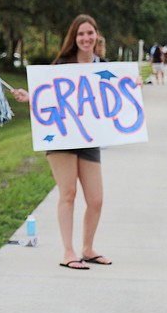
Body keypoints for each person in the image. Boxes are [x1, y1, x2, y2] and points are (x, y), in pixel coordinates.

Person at [10, 14, 111, 270]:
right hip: (62, 136)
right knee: (68, 193)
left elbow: (113, 96)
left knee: (96, 199)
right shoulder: (62, 65)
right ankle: (68, 252)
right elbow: (49, 94)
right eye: (81, 34)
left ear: (96, 34)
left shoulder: (103, 66)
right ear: (74, 38)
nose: (86, 38)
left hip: (89, 137)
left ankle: (88, 249)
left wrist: (130, 87)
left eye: (90, 33)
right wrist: (29, 96)